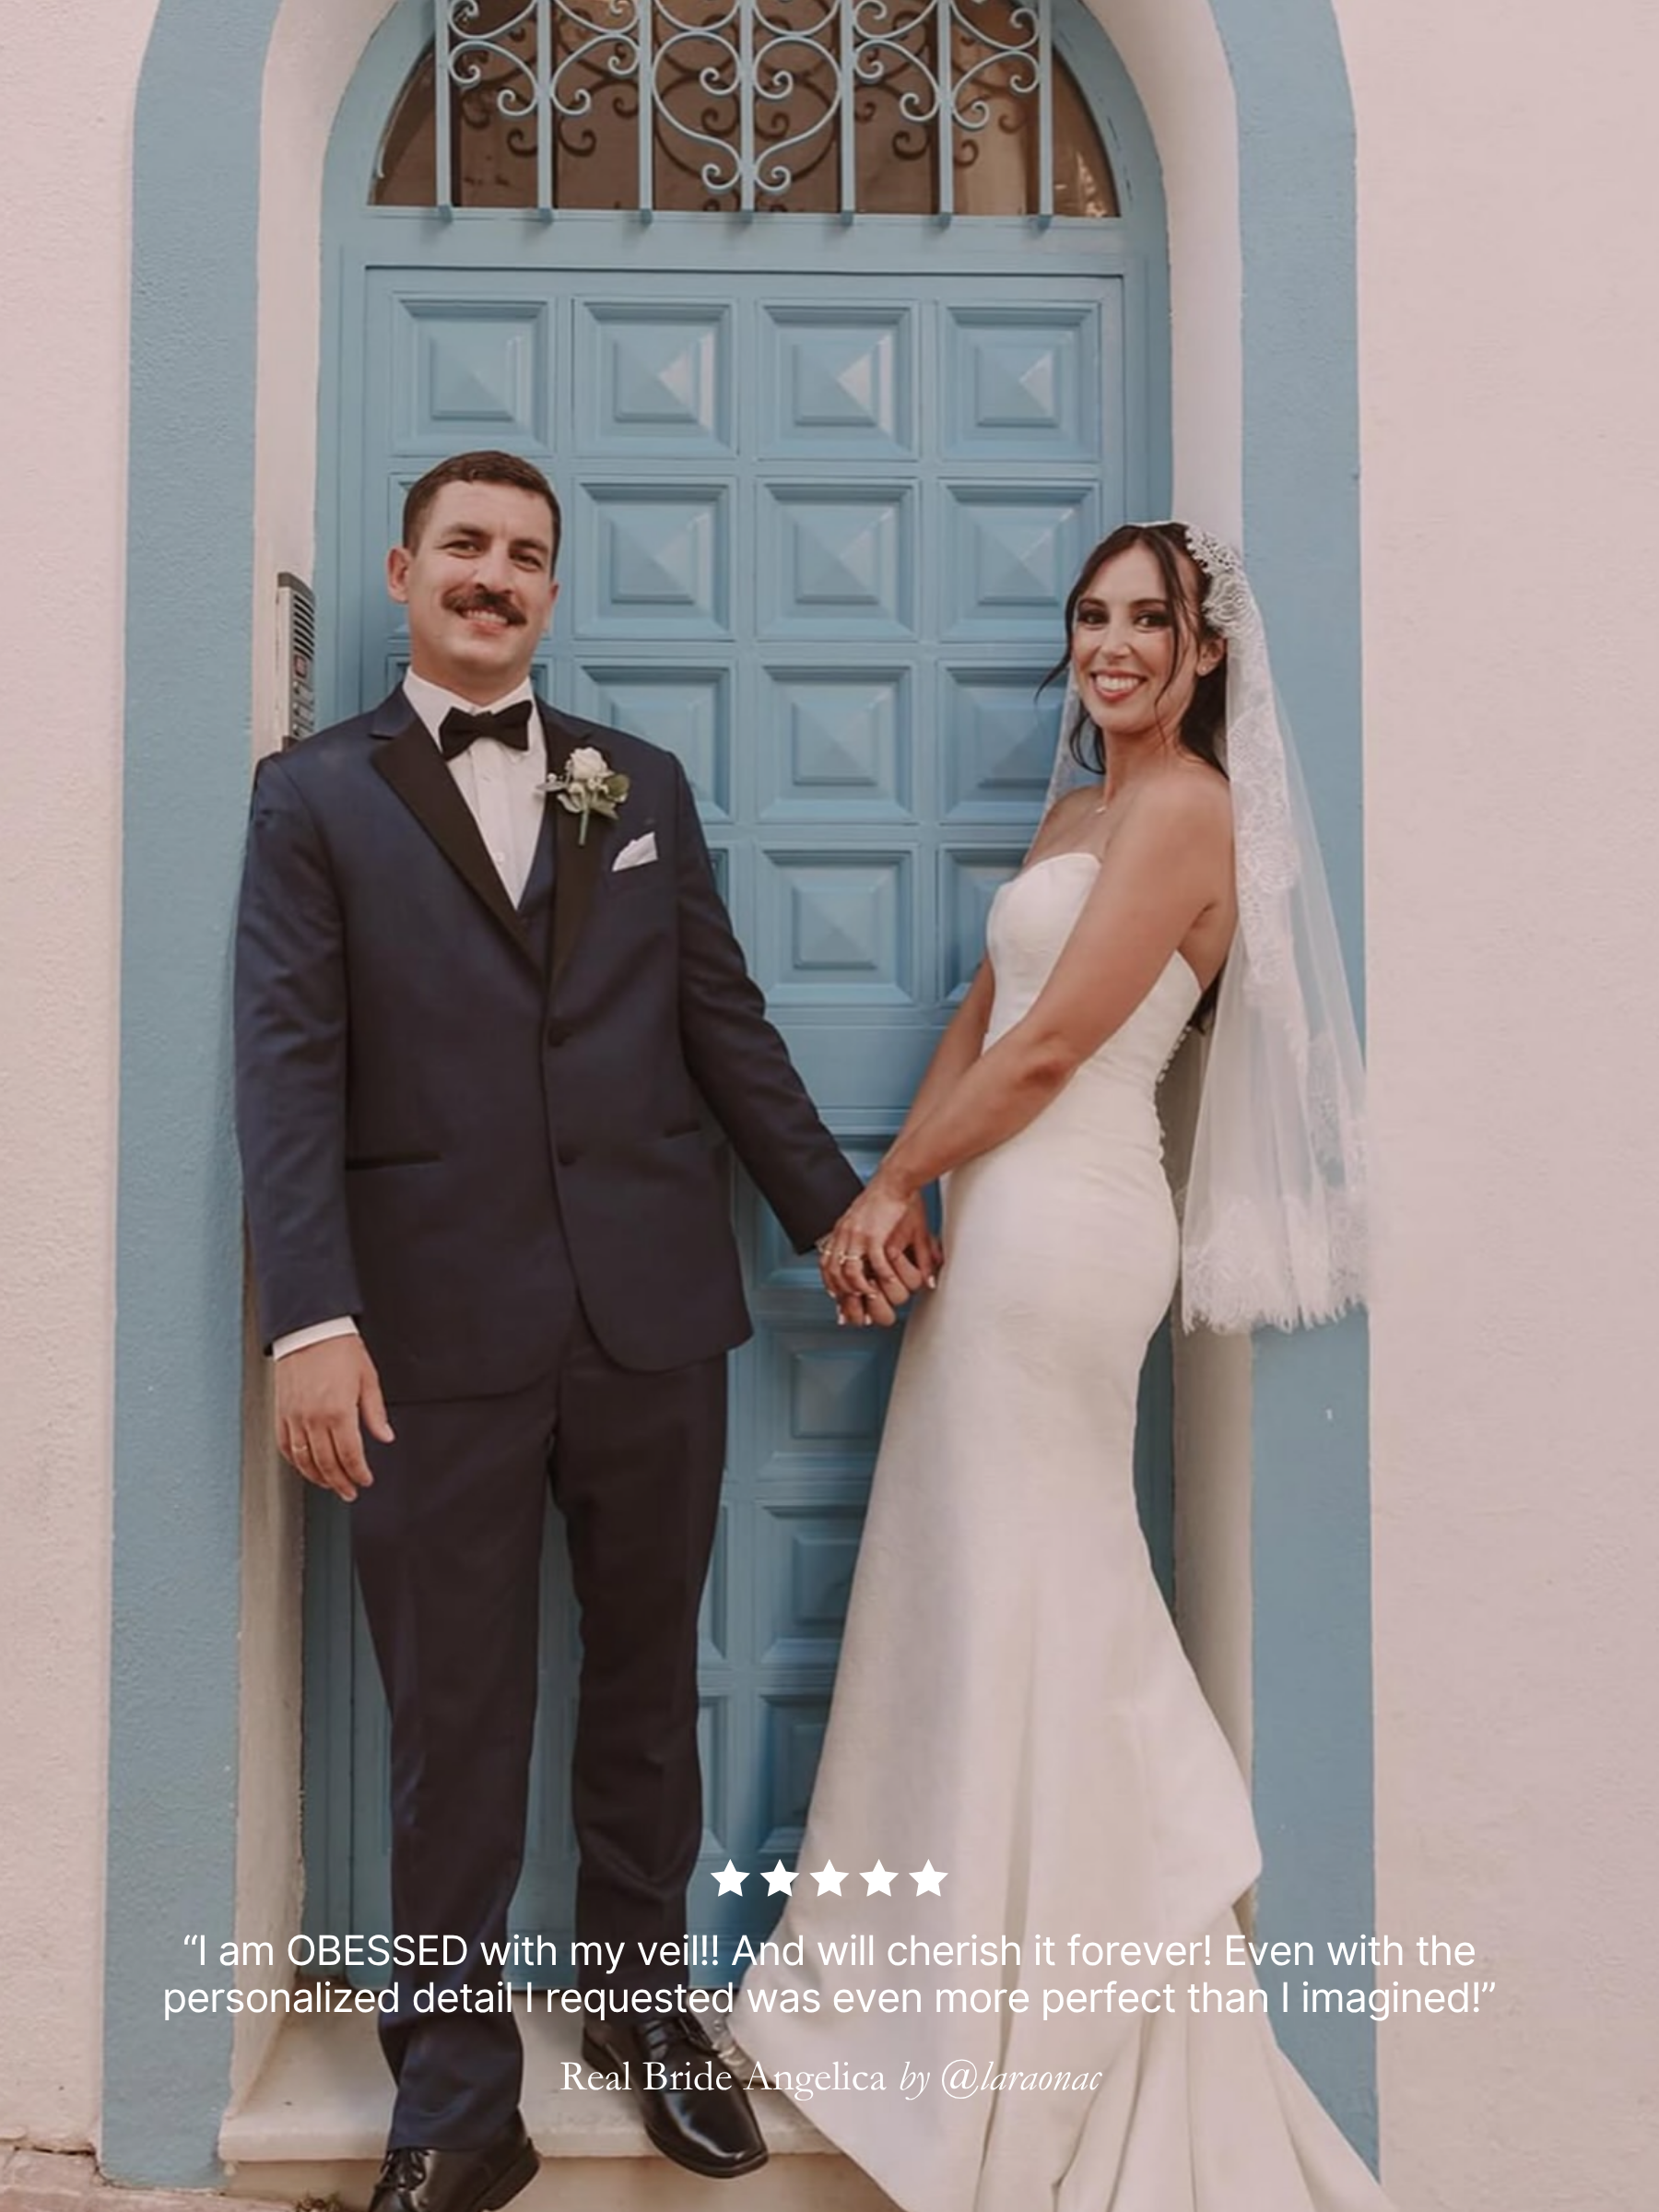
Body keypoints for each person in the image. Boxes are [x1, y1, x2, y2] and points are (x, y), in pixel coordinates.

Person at [233, 449, 932, 2212]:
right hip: (426, 1329)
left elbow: (723, 1020)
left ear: (553, 588)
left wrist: (832, 1203)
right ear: (401, 573)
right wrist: (309, 1316)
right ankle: (458, 2106)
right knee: (452, 1724)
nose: (495, 575)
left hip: (648, 1318)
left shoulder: (644, 787)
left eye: (526, 555)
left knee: (643, 1698)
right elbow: (288, 1067)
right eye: (465, 547)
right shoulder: (312, 798)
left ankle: (641, 2007)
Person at [739, 524, 1383, 2209]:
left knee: (1052, 1571)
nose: (1111, 645)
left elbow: (1045, 1058)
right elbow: (979, 1007)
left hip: (1075, 1227)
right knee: (978, 1582)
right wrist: (904, 1177)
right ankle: (956, 1988)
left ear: (1204, 651)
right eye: (1092, 618)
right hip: (994, 1216)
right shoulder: (1081, 810)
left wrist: (886, 1189)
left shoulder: (1179, 814)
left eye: (1145, 621)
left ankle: (1108, 1929)